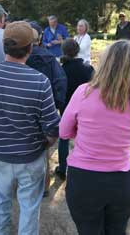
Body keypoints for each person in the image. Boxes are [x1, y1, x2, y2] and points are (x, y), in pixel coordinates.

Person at [0, 21, 60, 235]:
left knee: (0, 199)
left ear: (4, 46)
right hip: (30, 156)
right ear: (31, 47)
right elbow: (52, 128)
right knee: (29, 205)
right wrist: (46, 142)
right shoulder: (39, 82)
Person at [60, 40, 130, 235]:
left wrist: (83, 133)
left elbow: (63, 131)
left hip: (85, 179)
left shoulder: (84, 92)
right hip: (122, 181)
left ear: (105, 62)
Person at [26, 21, 67, 196]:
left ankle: (25, 185)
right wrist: (57, 105)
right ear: (40, 37)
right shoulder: (49, 57)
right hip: (43, 107)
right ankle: (43, 187)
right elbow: (60, 82)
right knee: (42, 150)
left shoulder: (18, 56)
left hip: (22, 107)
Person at [55, 38, 94, 181]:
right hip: (86, 107)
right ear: (77, 51)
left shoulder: (60, 69)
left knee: (63, 137)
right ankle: (84, 167)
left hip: (66, 106)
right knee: (84, 136)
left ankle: (62, 168)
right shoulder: (88, 69)